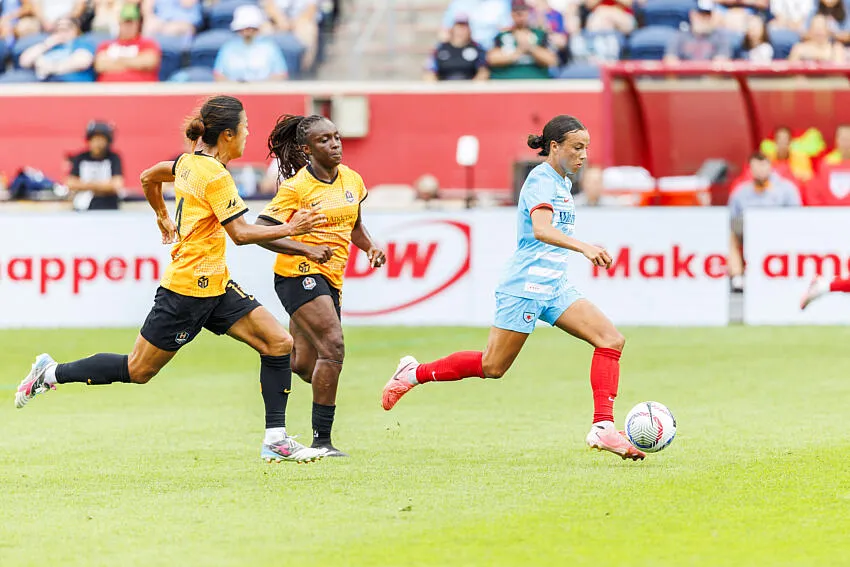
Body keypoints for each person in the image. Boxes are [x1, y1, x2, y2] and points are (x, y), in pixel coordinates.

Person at [14, 95, 328, 465]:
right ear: (227, 134)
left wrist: (162, 215)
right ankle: (50, 373)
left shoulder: (187, 162)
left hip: (216, 284)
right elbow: (241, 234)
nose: (247, 134)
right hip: (186, 291)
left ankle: (275, 439)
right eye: (244, 128)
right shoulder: (214, 175)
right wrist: (294, 228)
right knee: (138, 369)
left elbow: (149, 177)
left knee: (278, 343)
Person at [381, 115, 646, 462]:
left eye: (587, 149)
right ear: (554, 147)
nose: (583, 156)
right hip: (526, 284)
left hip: (554, 286)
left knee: (611, 340)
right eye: (577, 148)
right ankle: (412, 373)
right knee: (493, 366)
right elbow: (541, 229)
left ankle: (603, 427)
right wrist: (584, 247)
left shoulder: (563, 183)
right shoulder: (541, 180)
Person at [256, 114, 386, 457]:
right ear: (307, 149)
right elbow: (263, 231)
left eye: (337, 137)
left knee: (302, 363)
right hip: (297, 273)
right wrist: (307, 248)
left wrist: (370, 246)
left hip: (331, 278)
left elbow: (355, 225)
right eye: (324, 140)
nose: (335, 144)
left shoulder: (353, 180)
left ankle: (274, 353)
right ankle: (323, 441)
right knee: (334, 346)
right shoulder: (297, 187)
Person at [727, 152, 801, 292]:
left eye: (763, 166)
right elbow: (732, 219)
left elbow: (796, 218)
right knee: (730, 236)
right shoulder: (740, 192)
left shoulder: (786, 189)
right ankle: (737, 277)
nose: (760, 171)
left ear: (770, 167)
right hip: (749, 234)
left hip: (781, 233)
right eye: (755, 167)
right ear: (749, 169)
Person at [214, 4, 288, 83]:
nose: (246, 32)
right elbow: (219, 75)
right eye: (243, 28)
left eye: (250, 28)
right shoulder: (228, 47)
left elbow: (280, 74)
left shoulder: (269, 47)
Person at [487, 0, 558, 80]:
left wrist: (531, 48)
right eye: (516, 11)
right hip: (506, 81)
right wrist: (519, 51)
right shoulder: (502, 35)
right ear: (511, 14)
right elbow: (492, 59)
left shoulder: (540, 34)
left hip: (536, 81)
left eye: (523, 11)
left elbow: (552, 60)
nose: (520, 15)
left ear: (528, 12)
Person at [94, 3, 161, 83]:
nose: (128, 27)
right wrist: (135, 63)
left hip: (140, 90)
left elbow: (149, 62)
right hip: (108, 90)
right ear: (119, 23)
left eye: (131, 23)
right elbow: (100, 65)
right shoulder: (106, 45)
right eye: (125, 22)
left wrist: (115, 61)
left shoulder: (148, 43)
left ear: (138, 24)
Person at [66, 121, 123, 211]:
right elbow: (70, 183)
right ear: (89, 140)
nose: (98, 143)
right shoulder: (80, 158)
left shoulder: (113, 158)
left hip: (108, 207)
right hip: (82, 208)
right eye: (95, 139)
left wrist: (85, 185)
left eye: (101, 139)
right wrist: (102, 187)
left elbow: (116, 185)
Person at [18, 16, 95, 82]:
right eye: (58, 29)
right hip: (46, 88)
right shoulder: (49, 45)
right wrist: (46, 45)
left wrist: (52, 68)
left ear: (77, 30)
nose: (62, 32)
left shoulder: (81, 42)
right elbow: (24, 62)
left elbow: (83, 61)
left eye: (67, 28)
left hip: (74, 87)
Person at [424, 13, 489, 81]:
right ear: (452, 29)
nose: (461, 31)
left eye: (465, 27)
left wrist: (471, 88)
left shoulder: (477, 48)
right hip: (444, 88)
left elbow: (483, 72)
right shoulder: (440, 48)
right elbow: (429, 71)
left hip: (469, 88)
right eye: (459, 27)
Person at [664, 0, 732, 63]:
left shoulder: (720, 36)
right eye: (701, 14)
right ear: (692, 14)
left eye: (708, 14)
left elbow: (721, 63)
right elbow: (670, 61)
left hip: (709, 75)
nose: (704, 18)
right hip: (685, 75)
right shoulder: (679, 35)